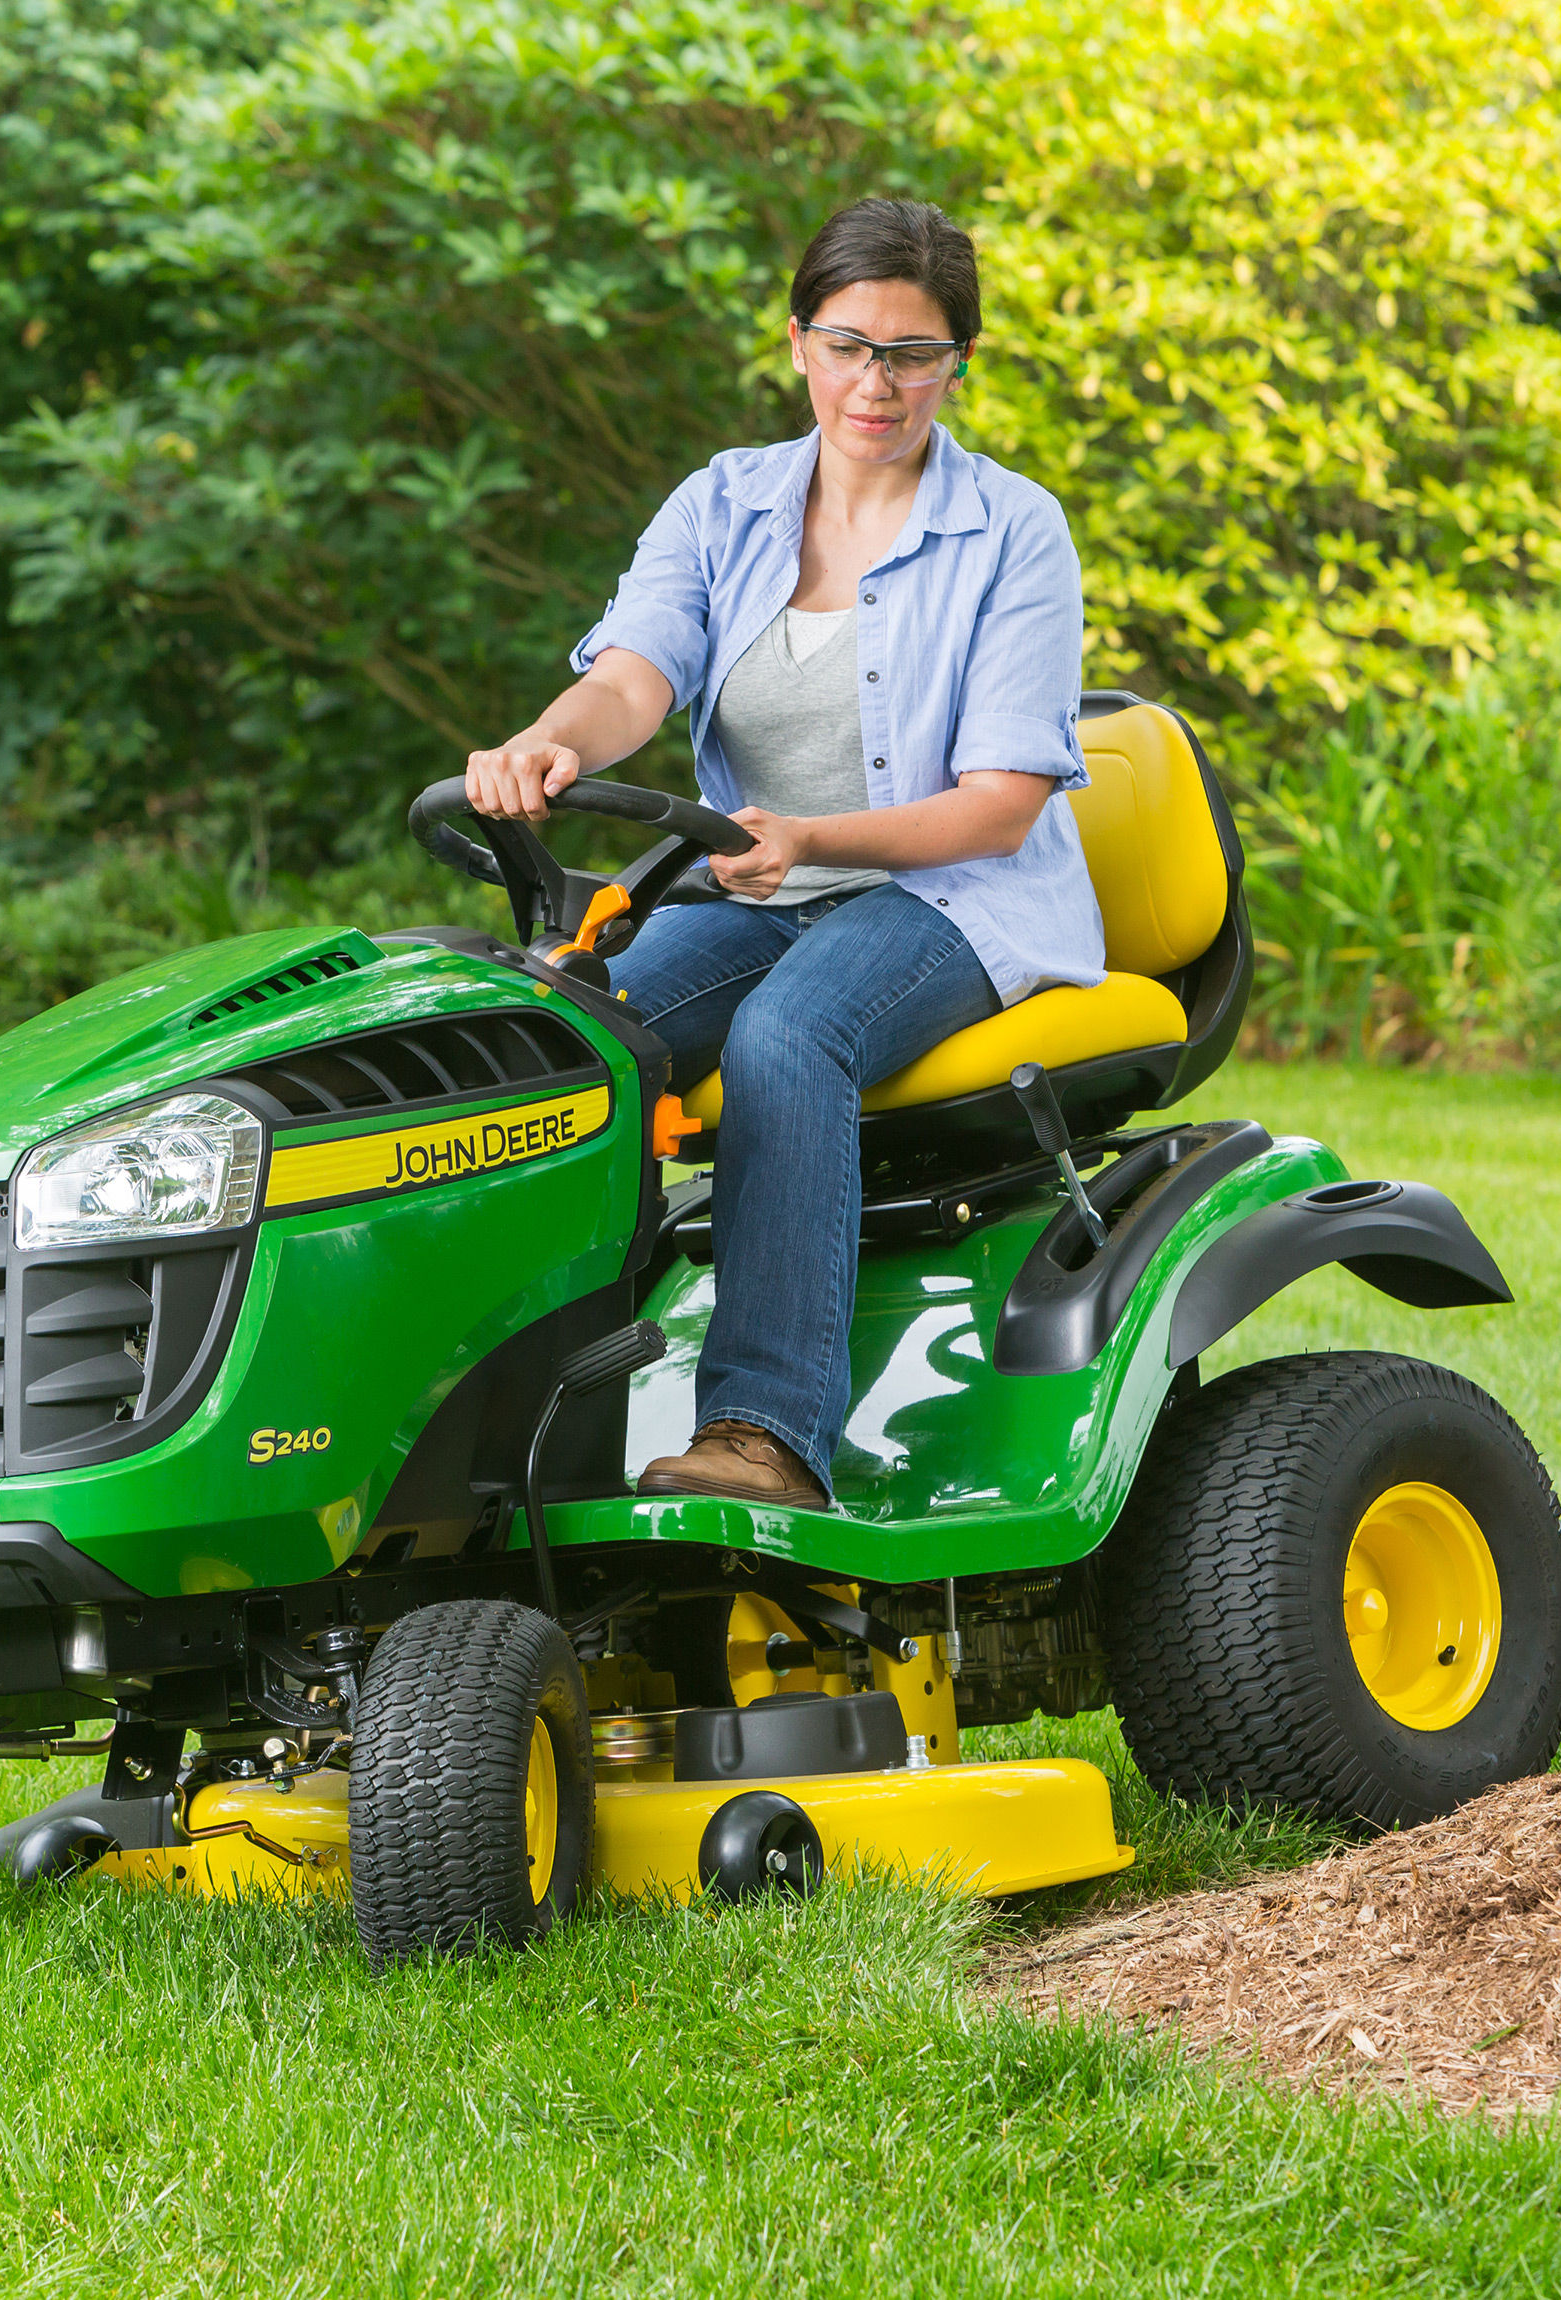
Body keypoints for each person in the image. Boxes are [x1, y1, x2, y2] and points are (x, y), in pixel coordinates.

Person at [462, 197, 1103, 1508]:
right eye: (851, 344)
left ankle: (763, 1436)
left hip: (954, 897)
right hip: (760, 883)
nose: (878, 382)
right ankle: (495, 1405)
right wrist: (550, 742)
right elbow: (636, 677)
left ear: (957, 367)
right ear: (800, 344)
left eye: (913, 354)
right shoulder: (725, 504)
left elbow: (998, 806)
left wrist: (812, 836)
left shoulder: (1015, 532)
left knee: (785, 1038)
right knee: (555, 1028)